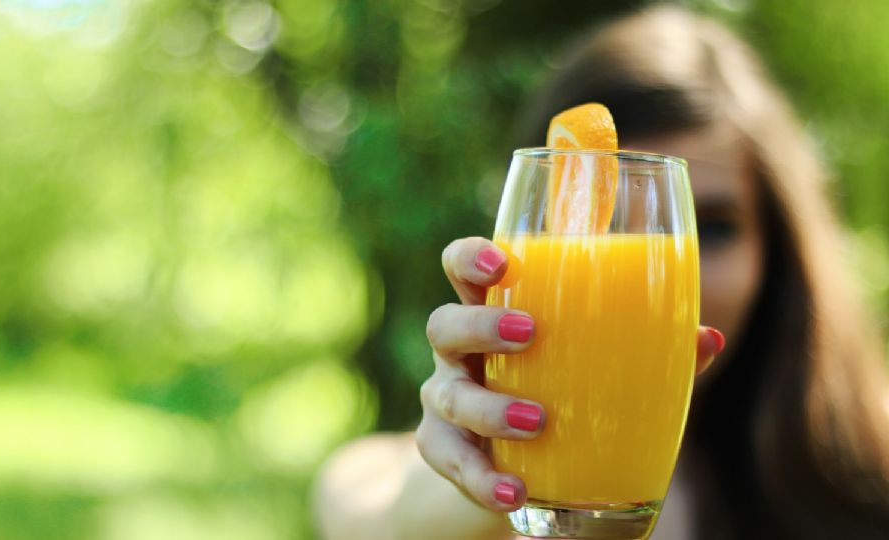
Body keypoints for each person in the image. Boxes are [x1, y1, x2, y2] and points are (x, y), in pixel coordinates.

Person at [314, 6, 889, 539]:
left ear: (777, 252)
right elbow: (359, 502)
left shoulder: (869, 481)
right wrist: (475, 483)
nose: (650, 277)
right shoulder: (409, 484)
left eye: (710, 227)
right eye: (600, 221)